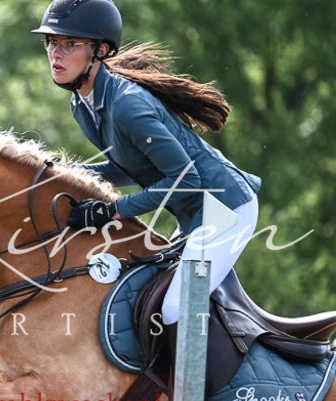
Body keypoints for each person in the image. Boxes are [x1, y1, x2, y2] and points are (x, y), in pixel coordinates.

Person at [33, 0, 261, 324]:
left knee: (172, 311)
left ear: (100, 51)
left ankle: (207, 377)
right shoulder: (81, 104)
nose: (56, 52)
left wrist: (112, 210)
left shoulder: (127, 106)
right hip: (193, 215)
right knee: (144, 294)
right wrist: (66, 174)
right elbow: (128, 168)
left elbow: (186, 180)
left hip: (226, 211)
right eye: (52, 42)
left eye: (70, 44)